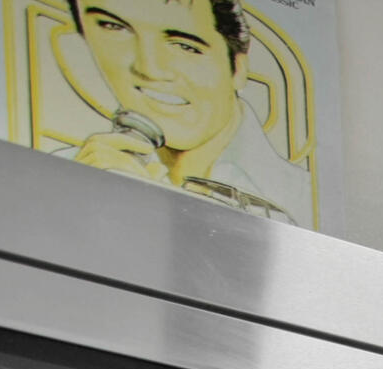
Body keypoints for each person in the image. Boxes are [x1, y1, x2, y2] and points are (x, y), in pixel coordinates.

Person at [58, 0, 307, 225]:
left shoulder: (302, 197)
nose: (149, 69)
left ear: (238, 68)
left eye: (185, 46)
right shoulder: (67, 172)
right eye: (113, 26)